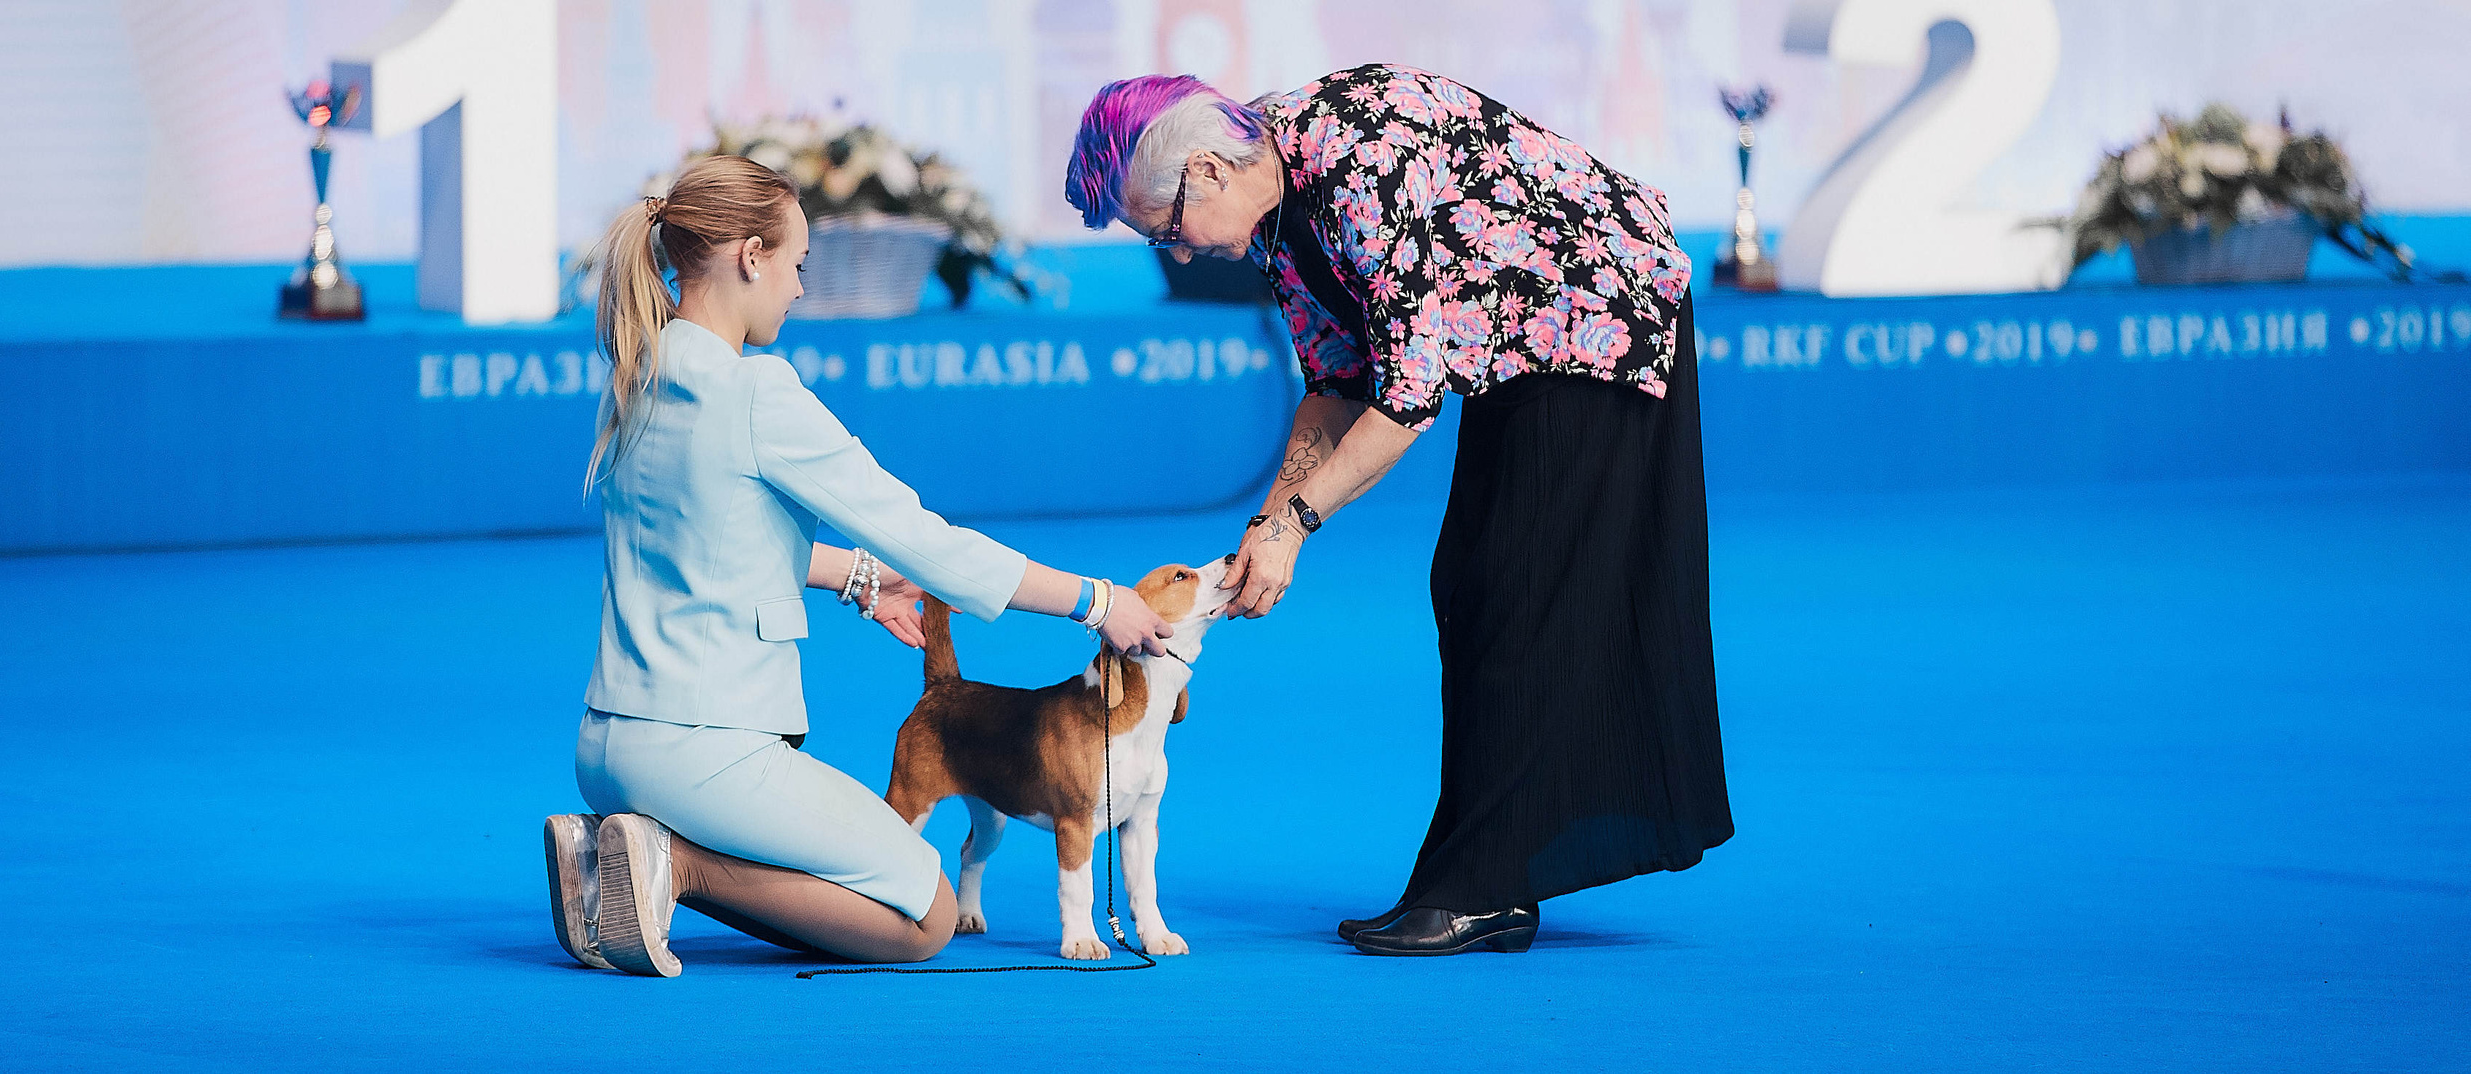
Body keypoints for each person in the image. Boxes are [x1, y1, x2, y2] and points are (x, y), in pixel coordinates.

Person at [1065, 65, 1732, 957]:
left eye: (1165, 233)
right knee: (1473, 584)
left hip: (1595, 316)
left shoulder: (1352, 159)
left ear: (1208, 173)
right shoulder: (1272, 214)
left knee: (1508, 588)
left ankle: (1483, 887)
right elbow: (1338, 380)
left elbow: (1410, 393)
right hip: (1517, 341)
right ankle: (1487, 878)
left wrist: (1295, 528)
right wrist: (1262, 530)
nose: (1179, 255)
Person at [545, 154, 1171, 976]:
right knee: (925, 915)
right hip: (702, 758)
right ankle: (670, 864)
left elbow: (708, 539)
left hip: (603, 747)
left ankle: (608, 854)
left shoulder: (636, 374)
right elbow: (930, 542)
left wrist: (856, 578)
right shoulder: (757, 392)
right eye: (798, 265)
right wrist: (1098, 603)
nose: (801, 289)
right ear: (750, 257)